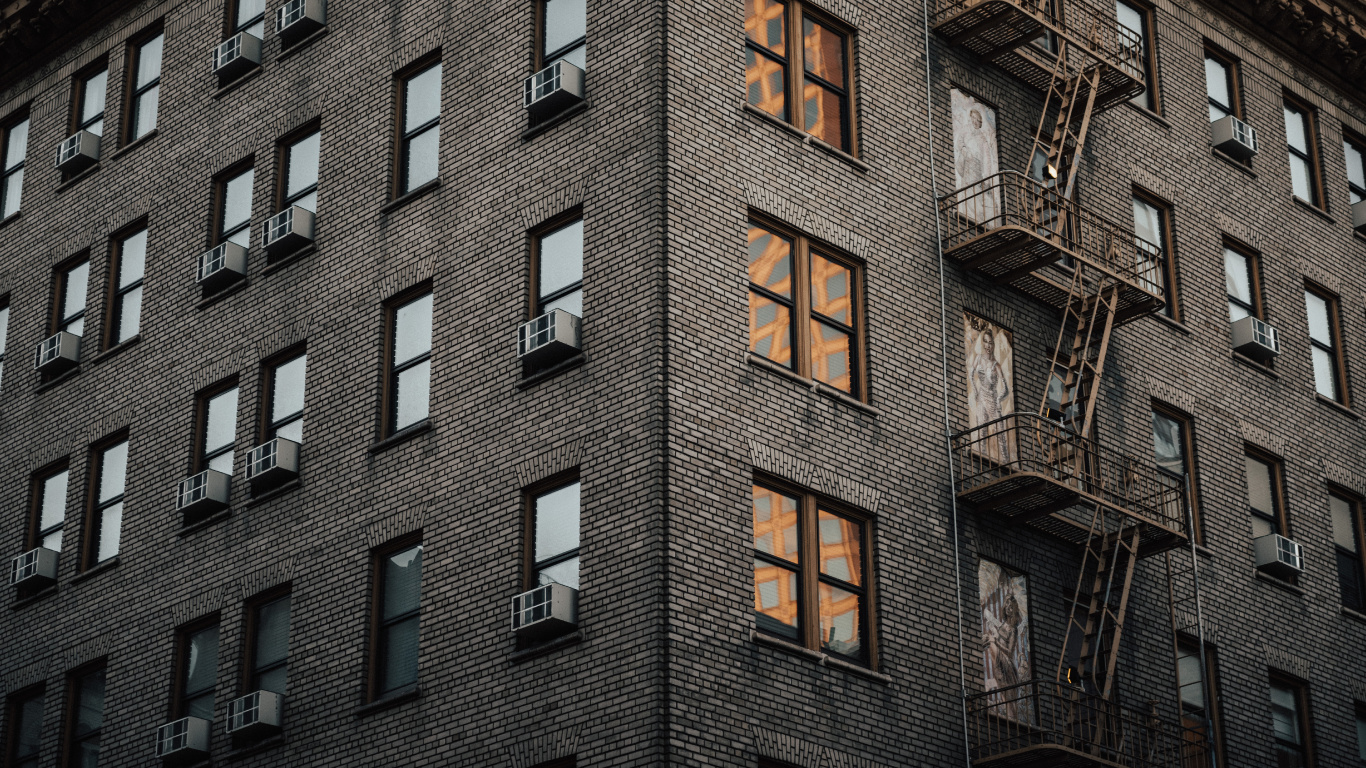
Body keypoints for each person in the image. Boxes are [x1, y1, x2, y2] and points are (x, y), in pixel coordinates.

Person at [969, 328, 1013, 462]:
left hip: (994, 400)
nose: (988, 346)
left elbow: (1006, 389)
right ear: (983, 343)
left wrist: (999, 399)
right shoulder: (978, 358)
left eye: (990, 343)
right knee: (981, 431)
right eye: (986, 342)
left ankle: (1006, 462)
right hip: (982, 397)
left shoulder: (997, 365)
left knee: (1001, 433)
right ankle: (980, 460)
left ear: (993, 344)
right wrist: (976, 391)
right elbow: (971, 375)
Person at [956, 105, 1000, 224]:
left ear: (980, 122)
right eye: (973, 118)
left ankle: (976, 215)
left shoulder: (982, 138)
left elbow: (986, 158)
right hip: (966, 165)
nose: (975, 121)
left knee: (975, 192)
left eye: (977, 119)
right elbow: (959, 142)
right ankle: (964, 211)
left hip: (976, 168)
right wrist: (965, 151)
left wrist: (986, 175)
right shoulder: (966, 130)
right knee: (965, 188)